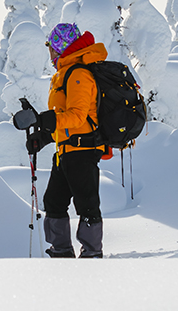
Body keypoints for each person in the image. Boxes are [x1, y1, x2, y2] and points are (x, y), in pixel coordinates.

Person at [14, 22, 107, 259]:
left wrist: (45, 120)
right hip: (67, 150)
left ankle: (92, 254)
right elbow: (63, 119)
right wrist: (43, 137)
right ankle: (61, 252)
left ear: (62, 48)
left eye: (53, 49)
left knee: (86, 204)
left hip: (83, 149)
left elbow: (77, 116)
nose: (51, 54)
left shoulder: (78, 74)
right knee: (53, 202)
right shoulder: (64, 74)